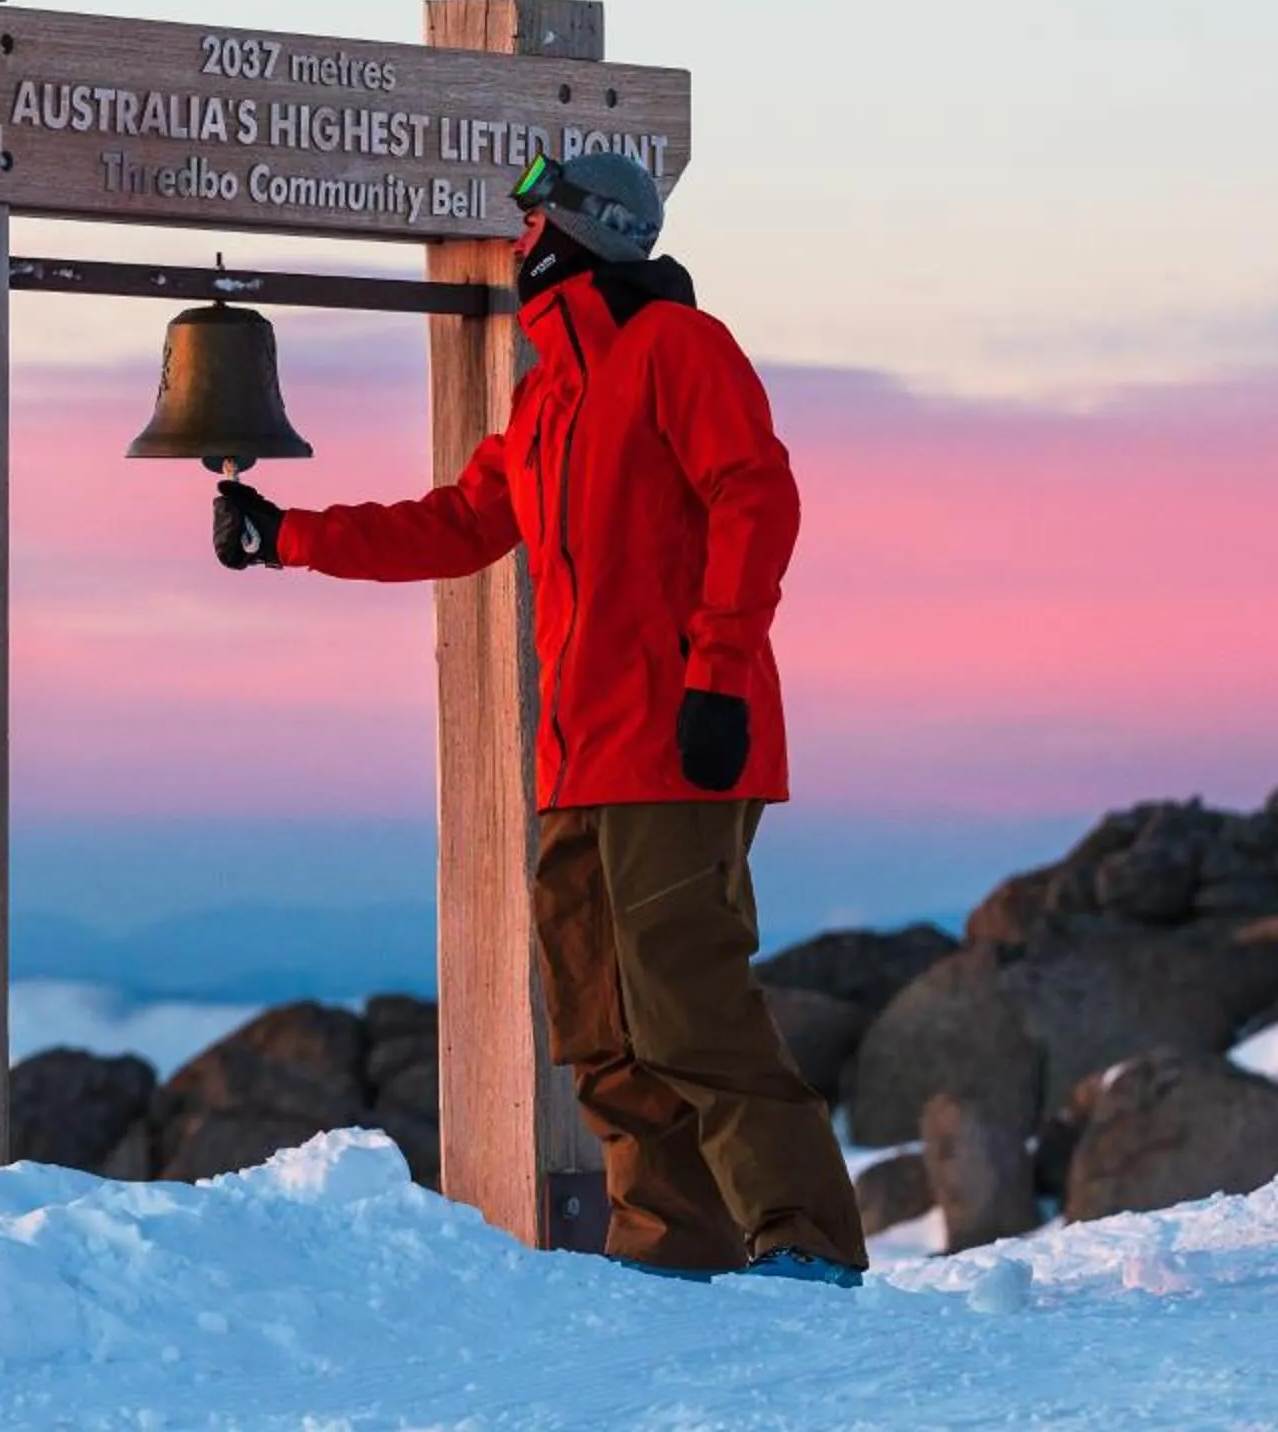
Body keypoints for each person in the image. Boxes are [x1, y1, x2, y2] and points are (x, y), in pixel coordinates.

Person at [210, 149, 868, 1286]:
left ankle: (806, 1238)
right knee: (600, 1032)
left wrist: (717, 671)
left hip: (679, 738)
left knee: (689, 1008)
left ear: (589, 230)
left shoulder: (679, 348)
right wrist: (289, 535)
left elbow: (756, 495)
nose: (520, 244)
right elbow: (461, 523)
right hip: (577, 753)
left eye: (535, 222)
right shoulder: (548, 391)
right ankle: (676, 1255)